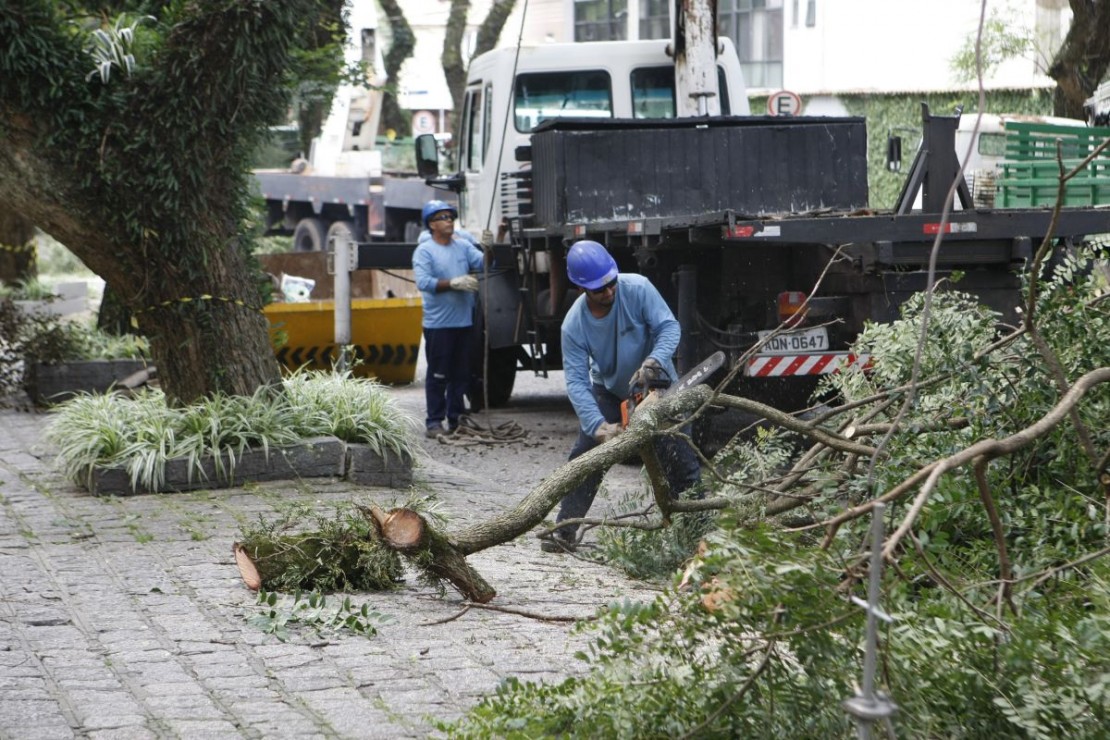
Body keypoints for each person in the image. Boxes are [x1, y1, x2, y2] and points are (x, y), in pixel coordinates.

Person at [544, 240, 701, 552]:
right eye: (600, 290)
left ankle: (698, 532)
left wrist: (653, 360)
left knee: (678, 454)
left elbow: (669, 328)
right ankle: (565, 528)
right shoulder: (573, 326)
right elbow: (576, 382)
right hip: (610, 388)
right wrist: (598, 426)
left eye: (611, 284)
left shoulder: (638, 288)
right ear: (581, 289)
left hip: (656, 382)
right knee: (586, 455)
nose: (609, 292)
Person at [412, 200, 487, 438]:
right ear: (432, 224)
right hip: (439, 325)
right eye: (443, 217)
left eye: (450, 217)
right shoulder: (424, 251)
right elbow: (424, 283)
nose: (449, 221)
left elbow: (485, 263)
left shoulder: (463, 246)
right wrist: (453, 283)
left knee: (461, 374)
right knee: (438, 375)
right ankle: (434, 422)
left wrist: (491, 245)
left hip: (464, 322)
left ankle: (456, 420)